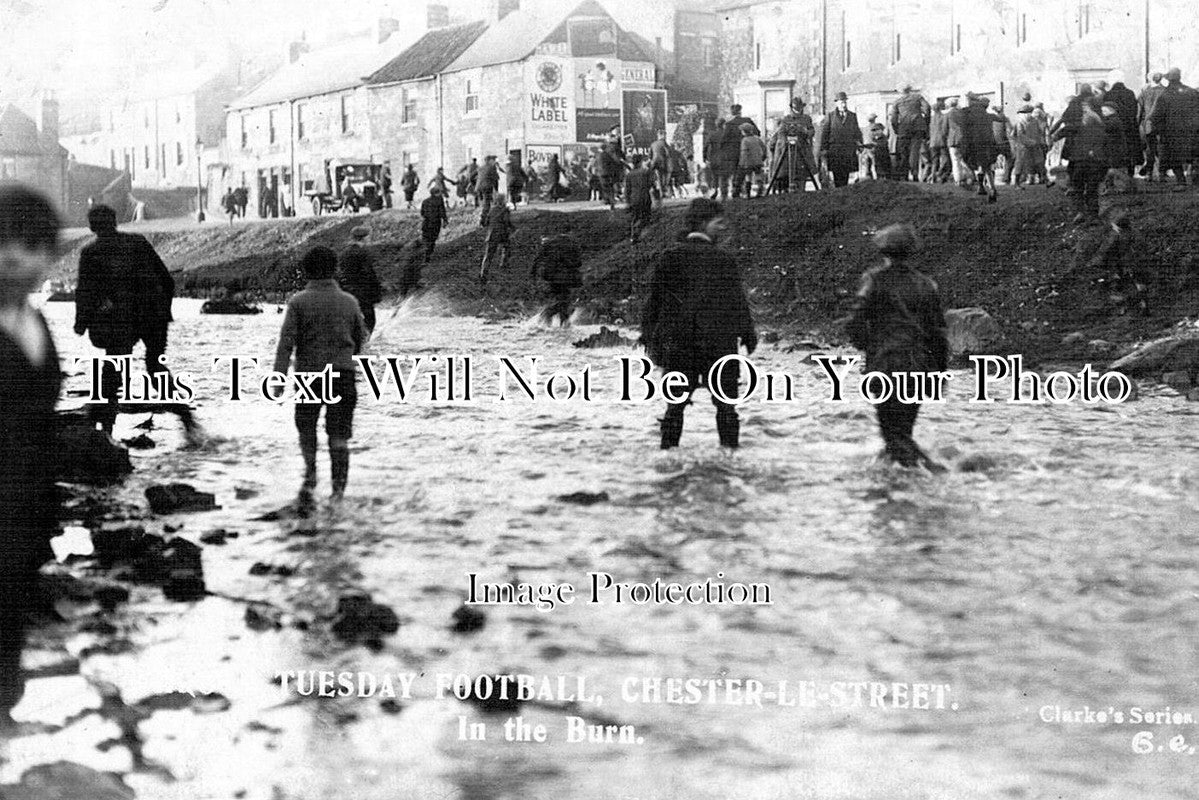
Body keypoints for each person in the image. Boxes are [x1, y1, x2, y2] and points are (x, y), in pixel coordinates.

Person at [0, 184, 63, 724]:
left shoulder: (34, 322)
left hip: (23, 513)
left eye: (31, 243)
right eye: (0, 241)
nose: (15, 255)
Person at [640, 198, 756, 449]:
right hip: (719, 345)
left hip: (681, 344)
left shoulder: (669, 258)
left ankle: (668, 459)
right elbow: (737, 302)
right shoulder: (724, 260)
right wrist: (748, 334)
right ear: (703, 224)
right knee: (727, 407)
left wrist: (650, 339)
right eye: (718, 223)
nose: (722, 228)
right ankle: (730, 460)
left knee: (675, 407)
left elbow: (654, 303)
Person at [74, 204, 196, 437]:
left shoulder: (91, 253)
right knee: (155, 368)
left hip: (120, 321)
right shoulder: (137, 242)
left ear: (91, 227)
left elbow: (85, 293)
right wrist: (164, 311)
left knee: (114, 370)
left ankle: (105, 430)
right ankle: (186, 419)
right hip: (153, 316)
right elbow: (167, 280)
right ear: (115, 221)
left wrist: (81, 323)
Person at [844, 223, 947, 470]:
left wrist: (869, 346)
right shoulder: (926, 284)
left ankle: (917, 477)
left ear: (883, 251)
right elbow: (937, 333)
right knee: (903, 429)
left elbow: (855, 321)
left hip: (886, 362)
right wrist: (940, 371)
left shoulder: (874, 280)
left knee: (891, 432)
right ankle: (906, 482)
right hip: (918, 364)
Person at [273, 246, 367, 503]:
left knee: (306, 427)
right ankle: (338, 493)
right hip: (343, 376)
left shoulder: (298, 302)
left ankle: (311, 472)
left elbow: (286, 344)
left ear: (305, 272)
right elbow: (360, 340)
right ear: (335, 270)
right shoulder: (349, 302)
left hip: (309, 376)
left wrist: (279, 379)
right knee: (338, 437)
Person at [1148, 67, 1199, 185]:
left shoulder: (1164, 95)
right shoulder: (1192, 92)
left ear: (1169, 80)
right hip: (1193, 131)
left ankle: (1181, 181)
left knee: (1174, 157)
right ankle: (1196, 179)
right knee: (1195, 155)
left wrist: (1155, 130)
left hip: (1172, 133)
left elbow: (1156, 115)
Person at [767, 97, 820, 192]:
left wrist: (804, 131)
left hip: (802, 150)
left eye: (800, 108)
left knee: (802, 174)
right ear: (792, 108)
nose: (798, 111)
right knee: (787, 175)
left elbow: (811, 132)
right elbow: (780, 133)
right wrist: (785, 142)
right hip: (788, 152)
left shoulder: (806, 119)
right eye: (796, 108)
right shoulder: (786, 119)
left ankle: (801, 191)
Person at [337, 226, 383, 336]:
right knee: (369, 319)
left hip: (347, 291)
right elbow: (369, 274)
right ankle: (365, 342)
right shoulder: (363, 253)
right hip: (363, 292)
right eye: (368, 236)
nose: (370, 239)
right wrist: (377, 293)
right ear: (363, 238)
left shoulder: (344, 253)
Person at [530, 234, 583, 325]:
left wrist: (534, 276)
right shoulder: (571, 245)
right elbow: (578, 263)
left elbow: (537, 261)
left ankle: (550, 322)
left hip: (551, 277)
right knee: (564, 301)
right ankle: (553, 319)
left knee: (562, 300)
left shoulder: (548, 245)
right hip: (566, 278)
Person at [819, 92, 862, 187]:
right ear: (836, 103)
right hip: (835, 151)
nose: (843, 105)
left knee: (846, 177)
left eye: (845, 102)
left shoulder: (852, 116)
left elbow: (857, 132)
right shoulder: (830, 116)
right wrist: (823, 149)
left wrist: (860, 144)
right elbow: (825, 133)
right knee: (836, 176)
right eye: (841, 102)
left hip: (848, 151)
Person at [890, 85, 931, 181]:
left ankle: (904, 175)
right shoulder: (918, 97)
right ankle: (915, 174)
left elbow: (893, 119)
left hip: (904, 129)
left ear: (901, 92)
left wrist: (897, 129)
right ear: (910, 90)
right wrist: (925, 122)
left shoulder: (897, 102)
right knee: (915, 151)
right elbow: (927, 109)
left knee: (904, 152)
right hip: (918, 127)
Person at [962, 92, 998, 202]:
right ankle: (990, 188)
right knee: (985, 165)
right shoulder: (984, 112)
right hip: (987, 142)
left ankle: (977, 184)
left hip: (973, 142)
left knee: (970, 163)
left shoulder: (967, 112)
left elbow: (965, 130)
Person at [479, 194, 513, 284]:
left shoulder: (492, 210)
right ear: (503, 201)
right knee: (507, 247)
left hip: (491, 235)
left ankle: (483, 274)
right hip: (502, 234)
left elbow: (486, 223)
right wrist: (512, 228)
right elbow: (507, 222)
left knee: (488, 256)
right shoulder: (506, 210)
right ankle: (503, 265)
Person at [1011, 103, 1047, 186]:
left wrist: (1040, 142)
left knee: (1039, 161)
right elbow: (1019, 135)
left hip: (1035, 146)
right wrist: (1029, 142)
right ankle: (1017, 182)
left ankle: (1044, 179)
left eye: (1029, 112)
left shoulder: (1035, 122)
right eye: (1025, 113)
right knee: (1020, 163)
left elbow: (1039, 133)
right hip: (1023, 147)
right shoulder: (1020, 123)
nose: (1028, 114)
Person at [1138, 72, 1165, 179]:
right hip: (1163, 124)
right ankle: (1162, 173)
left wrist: (1138, 123)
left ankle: (1149, 172)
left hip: (1148, 124)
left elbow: (1139, 110)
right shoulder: (1165, 91)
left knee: (1150, 148)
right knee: (1162, 148)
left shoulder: (1145, 92)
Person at [624, 154, 654, 242]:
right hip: (645, 197)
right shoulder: (646, 172)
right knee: (646, 216)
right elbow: (651, 184)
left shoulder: (629, 174)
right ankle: (644, 236)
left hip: (634, 198)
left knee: (635, 217)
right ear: (641, 162)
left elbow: (627, 190)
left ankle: (633, 236)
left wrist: (627, 201)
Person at [420, 185, 449, 263]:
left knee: (426, 239)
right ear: (436, 193)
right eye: (439, 192)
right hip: (435, 223)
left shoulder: (425, 201)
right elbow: (442, 212)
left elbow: (422, 213)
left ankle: (424, 256)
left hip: (426, 223)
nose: (441, 194)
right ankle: (428, 256)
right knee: (432, 239)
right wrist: (445, 220)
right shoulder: (439, 201)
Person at [738, 123, 767, 196]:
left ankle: (748, 193)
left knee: (748, 176)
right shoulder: (757, 138)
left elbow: (744, 152)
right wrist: (764, 156)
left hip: (748, 162)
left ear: (744, 131)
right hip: (758, 160)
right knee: (758, 175)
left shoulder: (744, 140)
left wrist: (741, 162)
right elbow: (764, 147)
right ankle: (760, 189)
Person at [477, 155, 500, 226]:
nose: (493, 161)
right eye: (492, 160)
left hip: (480, 187)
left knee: (485, 202)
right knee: (487, 203)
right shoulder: (492, 167)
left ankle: (485, 218)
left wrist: (474, 184)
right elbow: (496, 179)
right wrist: (496, 190)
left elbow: (471, 176)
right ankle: (482, 220)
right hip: (487, 187)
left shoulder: (480, 168)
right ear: (489, 160)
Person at [649, 130, 673, 201]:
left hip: (655, 163)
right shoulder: (664, 144)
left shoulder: (653, 144)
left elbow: (650, 155)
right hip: (663, 163)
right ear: (663, 135)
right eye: (665, 135)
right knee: (665, 178)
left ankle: (661, 192)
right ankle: (665, 193)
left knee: (659, 177)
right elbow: (668, 153)